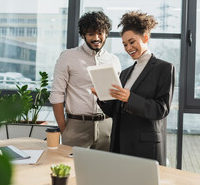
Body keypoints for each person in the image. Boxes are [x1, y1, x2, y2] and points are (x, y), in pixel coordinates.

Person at [92, 11, 175, 165]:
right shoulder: (124, 73)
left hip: (145, 146)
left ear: (145, 37)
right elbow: (114, 111)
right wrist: (102, 96)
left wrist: (130, 98)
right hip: (120, 143)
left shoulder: (164, 68)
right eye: (124, 44)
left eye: (132, 42)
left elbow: (161, 109)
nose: (128, 47)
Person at [49, 11, 121, 151]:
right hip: (76, 126)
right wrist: (64, 129)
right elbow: (56, 94)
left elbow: (117, 96)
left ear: (106, 34)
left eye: (100, 33)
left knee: (104, 171)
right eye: (91, 34)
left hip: (107, 126)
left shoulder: (114, 60)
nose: (96, 38)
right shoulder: (68, 57)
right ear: (83, 35)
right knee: (72, 170)